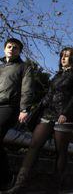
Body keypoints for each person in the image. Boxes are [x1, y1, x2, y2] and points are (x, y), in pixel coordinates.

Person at [6, 47, 73, 194]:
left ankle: (56, 186)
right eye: (62, 55)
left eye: (67, 56)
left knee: (60, 151)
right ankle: (19, 184)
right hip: (48, 114)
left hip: (65, 116)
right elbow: (48, 96)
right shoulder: (58, 75)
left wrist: (66, 113)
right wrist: (33, 112)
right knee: (34, 145)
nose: (63, 58)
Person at [0, 38, 33, 190]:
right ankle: (5, 177)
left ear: (19, 51)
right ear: (4, 48)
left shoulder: (24, 67)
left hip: (9, 107)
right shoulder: (0, 66)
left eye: (15, 47)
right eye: (9, 46)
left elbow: (27, 89)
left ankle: (7, 177)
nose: (11, 49)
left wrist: (24, 108)